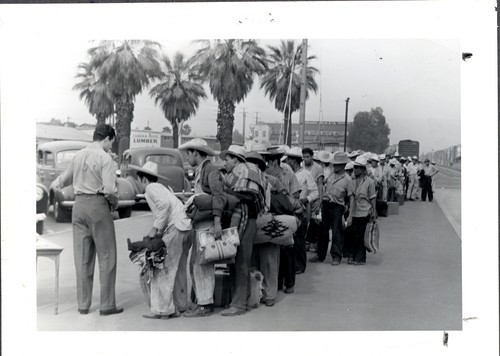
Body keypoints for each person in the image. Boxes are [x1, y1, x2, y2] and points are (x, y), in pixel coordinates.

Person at [54, 124, 122, 316]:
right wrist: (114, 202)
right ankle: (107, 305)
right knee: (107, 256)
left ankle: (83, 305)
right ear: (107, 139)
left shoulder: (78, 155)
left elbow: (63, 180)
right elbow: (109, 189)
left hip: (79, 207)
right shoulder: (105, 158)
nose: (111, 147)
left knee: (82, 258)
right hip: (98, 206)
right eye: (111, 143)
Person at [130, 161, 192, 319]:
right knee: (179, 269)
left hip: (176, 228)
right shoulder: (163, 188)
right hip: (185, 227)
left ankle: (163, 310)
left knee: (163, 268)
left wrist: (155, 229)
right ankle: (181, 305)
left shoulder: (151, 188)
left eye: (139, 180)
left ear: (143, 179)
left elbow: (163, 206)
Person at [179, 138, 225, 318]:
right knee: (195, 265)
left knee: (202, 266)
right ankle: (202, 301)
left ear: (196, 153)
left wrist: (217, 221)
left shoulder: (210, 170)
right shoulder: (202, 170)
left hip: (207, 226)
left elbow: (218, 196)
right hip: (200, 224)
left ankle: (205, 305)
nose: (187, 157)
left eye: (188, 154)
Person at [220, 145, 265, 316]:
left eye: (227, 159)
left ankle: (239, 304)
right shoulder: (236, 175)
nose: (225, 163)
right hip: (242, 221)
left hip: (246, 222)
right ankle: (237, 300)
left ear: (236, 159)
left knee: (241, 262)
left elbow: (250, 196)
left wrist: (231, 195)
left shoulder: (245, 171)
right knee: (235, 261)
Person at [265, 147, 302, 295]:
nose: (267, 165)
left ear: (274, 161)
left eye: (268, 161)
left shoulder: (289, 175)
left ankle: (290, 283)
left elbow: (296, 195)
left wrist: (286, 201)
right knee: (274, 251)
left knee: (288, 250)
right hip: (271, 215)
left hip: (286, 214)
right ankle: (278, 282)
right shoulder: (265, 175)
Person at [310, 151, 354, 265]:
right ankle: (320, 255)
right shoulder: (331, 175)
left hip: (337, 207)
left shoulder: (348, 180)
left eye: (337, 165)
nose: (335, 166)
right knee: (323, 232)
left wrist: (350, 215)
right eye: (334, 164)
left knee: (336, 232)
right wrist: (320, 204)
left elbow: (351, 198)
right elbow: (324, 189)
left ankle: (336, 256)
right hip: (326, 205)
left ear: (343, 165)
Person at [285, 147, 319, 275]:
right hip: (288, 210)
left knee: (299, 240)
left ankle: (300, 266)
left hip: (301, 210)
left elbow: (315, 192)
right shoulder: (286, 174)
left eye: (288, 159)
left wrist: (305, 199)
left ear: (294, 161)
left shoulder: (305, 174)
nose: (287, 161)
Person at [343, 156, 377, 265]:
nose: (355, 170)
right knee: (352, 234)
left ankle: (360, 258)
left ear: (363, 169)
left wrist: (374, 210)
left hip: (364, 211)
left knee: (361, 235)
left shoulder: (370, 182)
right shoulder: (351, 181)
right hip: (353, 211)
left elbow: (372, 197)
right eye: (355, 167)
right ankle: (351, 255)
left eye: (358, 168)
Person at [302, 148, 324, 253]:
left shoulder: (318, 168)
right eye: (304, 157)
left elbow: (320, 184)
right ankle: (305, 242)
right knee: (305, 220)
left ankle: (315, 244)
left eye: (307, 157)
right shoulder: (301, 166)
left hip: (314, 198)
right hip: (304, 198)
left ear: (311, 156)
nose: (305, 159)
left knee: (316, 221)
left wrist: (320, 199)